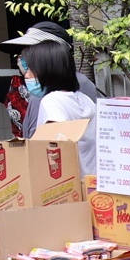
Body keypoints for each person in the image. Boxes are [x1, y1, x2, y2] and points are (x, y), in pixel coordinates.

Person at [21, 39, 97, 176]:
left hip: (67, 187)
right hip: (91, 183)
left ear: (45, 70)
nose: (26, 75)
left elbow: (57, 146)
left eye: (31, 69)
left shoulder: (51, 102)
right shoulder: (85, 100)